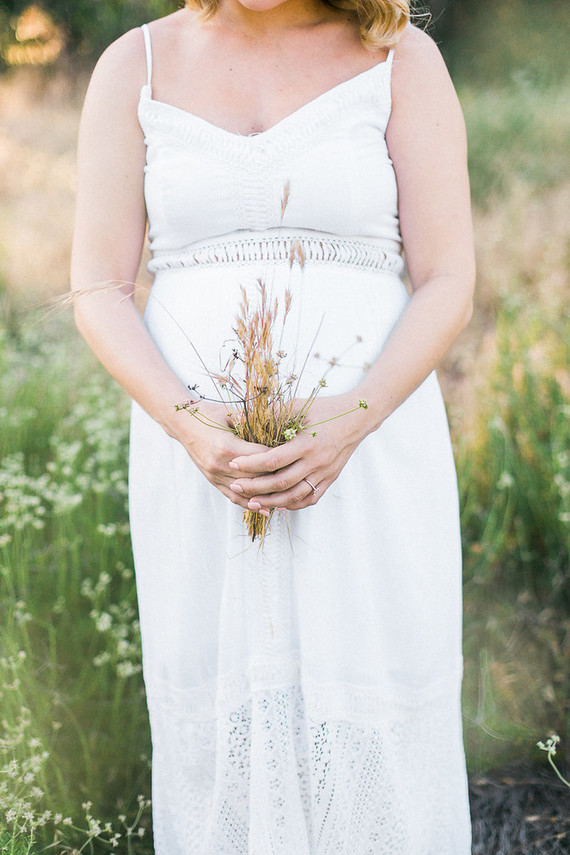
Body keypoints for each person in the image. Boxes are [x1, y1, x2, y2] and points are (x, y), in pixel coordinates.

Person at [71, 0, 475, 850]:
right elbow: (100, 288)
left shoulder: (401, 58)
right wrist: (189, 424)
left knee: (374, 690)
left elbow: (447, 278)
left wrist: (352, 419)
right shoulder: (133, 65)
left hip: (373, 451)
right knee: (219, 707)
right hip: (199, 461)